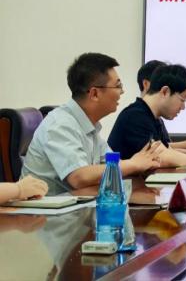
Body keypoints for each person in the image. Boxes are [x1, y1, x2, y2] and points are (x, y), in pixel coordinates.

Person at [21, 53, 162, 195]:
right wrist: (133, 164)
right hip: (46, 208)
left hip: (78, 204)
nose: (122, 91)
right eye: (118, 86)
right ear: (94, 94)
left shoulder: (89, 125)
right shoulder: (60, 124)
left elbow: (112, 166)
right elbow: (79, 177)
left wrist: (141, 167)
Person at [110, 64, 186, 165]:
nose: (183, 107)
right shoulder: (135, 116)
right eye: (182, 100)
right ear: (165, 91)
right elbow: (163, 157)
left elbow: (168, 151)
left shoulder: (152, 117)